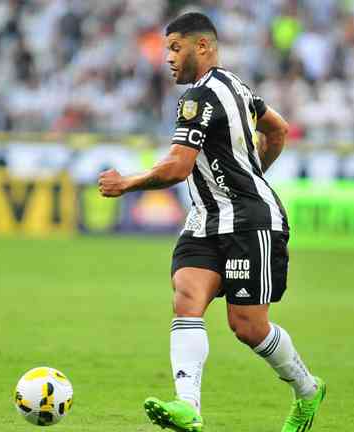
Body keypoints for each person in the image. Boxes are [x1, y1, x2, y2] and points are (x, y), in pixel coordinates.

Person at [98, 12, 326, 432]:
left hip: (249, 224)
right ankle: (189, 408)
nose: (167, 57)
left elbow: (178, 167)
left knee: (247, 327)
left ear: (201, 47)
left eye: (174, 47)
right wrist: (254, 169)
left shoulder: (200, 98)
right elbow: (278, 129)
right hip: (205, 220)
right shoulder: (235, 85)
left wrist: (127, 182)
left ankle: (307, 390)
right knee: (186, 293)